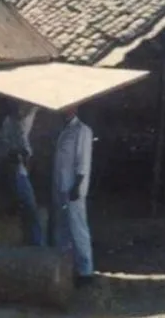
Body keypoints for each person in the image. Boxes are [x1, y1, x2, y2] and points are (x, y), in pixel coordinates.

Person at [52, 105, 96, 287]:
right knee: (63, 229)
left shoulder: (82, 130)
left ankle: (86, 271)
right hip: (61, 185)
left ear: (75, 109)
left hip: (73, 187)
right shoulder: (64, 131)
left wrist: (77, 185)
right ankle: (66, 268)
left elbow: (82, 161)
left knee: (78, 228)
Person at [0, 101, 45, 247]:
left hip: (36, 171)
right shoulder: (11, 122)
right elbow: (6, 146)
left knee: (37, 209)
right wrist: (17, 155)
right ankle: (35, 245)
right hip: (19, 171)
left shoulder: (42, 117)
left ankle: (39, 244)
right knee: (29, 209)